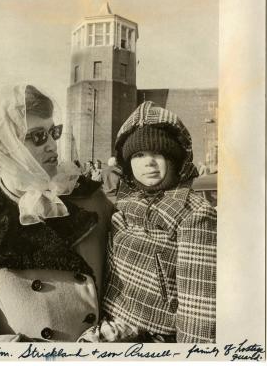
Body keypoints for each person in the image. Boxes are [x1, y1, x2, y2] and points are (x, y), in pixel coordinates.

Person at [0, 83, 113, 342]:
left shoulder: (92, 199)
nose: (52, 145)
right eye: (37, 136)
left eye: (53, 132)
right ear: (2, 145)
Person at [78, 102, 217, 343]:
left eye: (158, 153)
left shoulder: (194, 214)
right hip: (109, 326)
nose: (148, 162)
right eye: (139, 155)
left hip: (155, 336)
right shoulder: (122, 207)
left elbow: (199, 308)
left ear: (175, 159)